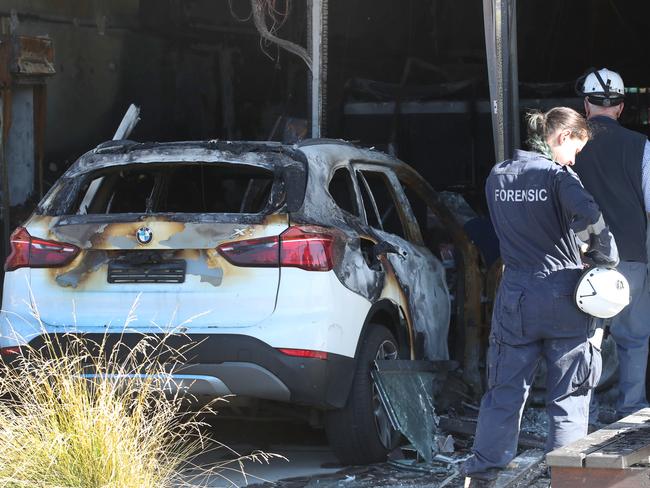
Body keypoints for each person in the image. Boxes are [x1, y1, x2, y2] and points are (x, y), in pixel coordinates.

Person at [463, 107, 619, 482]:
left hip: (515, 295)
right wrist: (603, 258)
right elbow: (591, 217)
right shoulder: (560, 178)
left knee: (504, 392)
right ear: (562, 137)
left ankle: (482, 476)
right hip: (565, 296)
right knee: (568, 397)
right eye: (576, 149)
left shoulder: (497, 176)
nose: (575, 158)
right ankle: (565, 478)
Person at [574, 68, 650, 421]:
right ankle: (631, 409)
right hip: (631, 256)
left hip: (580, 259)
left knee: (583, 339)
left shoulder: (569, 145)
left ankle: (580, 413)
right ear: (620, 106)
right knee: (634, 338)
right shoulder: (641, 146)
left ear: (586, 104)